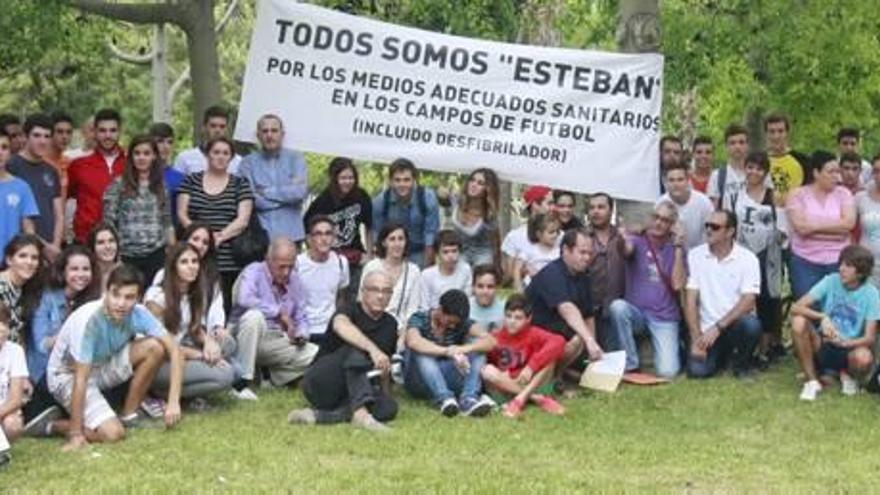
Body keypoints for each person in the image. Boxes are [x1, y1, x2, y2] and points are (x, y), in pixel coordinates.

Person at [46, 264, 183, 451]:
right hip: (66, 375)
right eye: (116, 295)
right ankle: (55, 425)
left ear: (139, 298)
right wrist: (76, 434)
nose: (121, 303)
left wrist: (173, 402)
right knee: (113, 434)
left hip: (102, 365)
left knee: (155, 347)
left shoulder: (139, 313)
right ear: (106, 292)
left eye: (129, 297)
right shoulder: (90, 320)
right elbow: (81, 379)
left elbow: (174, 350)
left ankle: (129, 414)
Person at [287, 271, 399, 432]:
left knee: (389, 407)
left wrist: (385, 393)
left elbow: (384, 365)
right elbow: (340, 325)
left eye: (386, 291)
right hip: (322, 381)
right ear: (363, 292)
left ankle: (318, 416)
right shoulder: (348, 310)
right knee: (353, 350)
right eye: (375, 290)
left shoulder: (391, 324)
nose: (380, 296)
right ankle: (360, 413)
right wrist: (373, 350)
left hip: (351, 391)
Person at [229, 238, 318, 399]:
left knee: (317, 354)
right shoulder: (254, 270)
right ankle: (240, 383)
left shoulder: (295, 279)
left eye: (290, 266)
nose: (286, 272)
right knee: (254, 317)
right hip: (244, 337)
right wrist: (279, 313)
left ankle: (272, 375)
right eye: (281, 266)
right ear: (269, 260)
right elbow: (244, 299)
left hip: (276, 340)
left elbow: (302, 316)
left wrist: (302, 334)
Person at [144, 243, 235, 401]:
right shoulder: (157, 297)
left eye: (195, 261)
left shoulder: (194, 292)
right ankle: (158, 393)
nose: (191, 267)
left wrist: (208, 342)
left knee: (227, 345)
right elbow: (158, 345)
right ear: (173, 267)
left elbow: (195, 328)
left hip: (182, 352)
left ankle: (188, 394)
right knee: (226, 374)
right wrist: (199, 355)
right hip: (159, 362)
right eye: (184, 262)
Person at [609, 201, 686, 378]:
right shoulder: (637, 240)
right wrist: (621, 238)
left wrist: (679, 247)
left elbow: (677, 284)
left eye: (665, 220)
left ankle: (677, 346)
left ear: (672, 225)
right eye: (656, 217)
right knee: (617, 307)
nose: (659, 223)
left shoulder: (676, 249)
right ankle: (631, 364)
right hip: (637, 314)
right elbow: (626, 251)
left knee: (668, 372)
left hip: (665, 316)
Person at [178, 137, 254, 315]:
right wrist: (200, 237)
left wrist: (218, 237)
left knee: (223, 306)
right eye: (216, 152)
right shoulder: (191, 181)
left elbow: (243, 220)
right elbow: (182, 213)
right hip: (195, 252)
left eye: (225, 153)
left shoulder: (240, 184)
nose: (220, 157)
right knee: (192, 303)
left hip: (228, 257)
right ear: (207, 155)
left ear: (231, 157)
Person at [791, 246, 878, 401]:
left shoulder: (872, 294)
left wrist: (846, 343)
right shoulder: (831, 280)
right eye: (841, 264)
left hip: (849, 348)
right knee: (798, 321)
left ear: (861, 272)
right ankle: (812, 381)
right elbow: (796, 307)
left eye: (848, 266)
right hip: (823, 342)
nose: (841, 269)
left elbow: (870, 337)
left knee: (863, 358)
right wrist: (823, 317)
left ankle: (846, 375)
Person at [685, 210, 762, 379]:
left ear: (730, 231)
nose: (709, 230)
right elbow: (690, 299)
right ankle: (723, 358)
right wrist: (696, 337)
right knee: (697, 372)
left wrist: (718, 327)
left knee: (751, 325)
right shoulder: (695, 255)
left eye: (715, 227)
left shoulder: (748, 259)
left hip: (732, 325)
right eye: (707, 226)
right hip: (706, 329)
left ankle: (742, 365)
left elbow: (749, 300)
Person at [729, 152, 785, 364]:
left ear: (765, 172)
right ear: (745, 168)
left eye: (759, 168)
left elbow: (783, 228)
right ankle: (743, 347)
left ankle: (764, 351)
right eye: (750, 167)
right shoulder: (735, 194)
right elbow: (728, 221)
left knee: (767, 302)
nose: (754, 172)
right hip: (741, 254)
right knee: (742, 298)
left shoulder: (774, 196)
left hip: (767, 256)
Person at [403, 289, 496, 417]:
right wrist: (447, 351)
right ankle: (444, 398)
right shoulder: (420, 318)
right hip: (419, 379)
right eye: (449, 322)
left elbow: (491, 341)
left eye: (455, 323)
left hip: (447, 375)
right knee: (422, 351)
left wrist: (462, 350)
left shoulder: (461, 324)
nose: (452, 326)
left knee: (479, 352)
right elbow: (413, 341)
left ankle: (468, 399)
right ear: (440, 310)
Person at [526, 228, 604, 378]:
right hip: (535, 337)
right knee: (578, 338)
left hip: (559, 331)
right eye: (582, 252)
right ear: (566, 250)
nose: (587, 258)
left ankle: (565, 371)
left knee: (582, 343)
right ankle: (555, 378)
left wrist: (594, 348)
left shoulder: (584, 276)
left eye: (590, 253)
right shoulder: (552, 273)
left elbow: (588, 315)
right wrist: (588, 340)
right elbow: (567, 308)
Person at [102, 136, 174, 286]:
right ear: (131, 156)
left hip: (156, 253)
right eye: (137, 153)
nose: (142, 158)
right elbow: (108, 222)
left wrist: (172, 251)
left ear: (154, 156)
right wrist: (114, 256)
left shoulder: (161, 186)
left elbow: (166, 220)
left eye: (146, 153)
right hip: (127, 255)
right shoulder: (118, 185)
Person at [482, 294, 566, 418]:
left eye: (518, 318)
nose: (512, 321)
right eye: (508, 316)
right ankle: (534, 398)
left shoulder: (534, 333)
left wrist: (531, 367)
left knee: (550, 358)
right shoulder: (496, 337)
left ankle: (520, 399)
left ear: (528, 319)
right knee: (487, 371)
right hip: (507, 385)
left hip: (530, 381)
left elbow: (559, 341)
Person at [28, 245, 100, 387]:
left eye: (86, 269)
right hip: (44, 372)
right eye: (74, 269)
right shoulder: (47, 299)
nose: (81, 274)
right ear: (63, 272)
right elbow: (41, 345)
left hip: (75, 368)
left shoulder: (91, 301)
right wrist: (70, 330)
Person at [304, 157, 373, 306]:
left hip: (354, 257)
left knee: (353, 299)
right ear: (334, 178)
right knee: (332, 299)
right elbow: (308, 229)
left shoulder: (361, 196)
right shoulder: (323, 201)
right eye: (343, 178)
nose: (347, 181)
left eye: (351, 178)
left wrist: (369, 254)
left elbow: (369, 226)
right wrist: (314, 253)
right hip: (330, 258)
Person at [787, 151, 855, 299]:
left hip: (839, 261)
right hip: (805, 261)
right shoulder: (797, 195)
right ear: (816, 173)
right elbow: (802, 228)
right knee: (808, 306)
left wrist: (814, 227)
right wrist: (837, 228)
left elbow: (848, 225)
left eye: (837, 171)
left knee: (837, 307)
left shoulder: (844, 194)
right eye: (830, 172)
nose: (836, 176)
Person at [240, 114, 309, 242]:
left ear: (282, 134)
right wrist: (287, 198)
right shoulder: (247, 163)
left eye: (274, 130)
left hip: (292, 236)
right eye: (265, 131)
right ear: (258, 135)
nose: (269, 135)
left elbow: (299, 192)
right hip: (260, 237)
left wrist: (266, 191)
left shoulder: (296, 159)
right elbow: (251, 199)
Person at [7, 113, 63, 261]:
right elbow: (15, 214)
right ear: (25, 137)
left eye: (47, 136)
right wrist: (43, 246)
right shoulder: (11, 166)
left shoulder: (51, 170)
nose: (42, 141)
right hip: (20, 250)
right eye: (37, 135)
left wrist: (55, 246)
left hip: (51, 252)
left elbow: (59, 214)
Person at [67, 108, 126, 244]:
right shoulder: (78, 166)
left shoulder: (131, 165)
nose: (108, 135)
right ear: (94, 132)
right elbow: (67, 197)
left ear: (120, 132)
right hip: (86, 241)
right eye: (102, 130)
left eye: (112, 130)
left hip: (122, 242)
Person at [372, 158, 440, 267]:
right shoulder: (380, 201)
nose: (402, 184)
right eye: (397, 180)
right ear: (390, 181)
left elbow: (430, 236)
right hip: (392, 252)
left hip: (420, 251)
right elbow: (378, 236)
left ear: (414, 180)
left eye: (406, 180)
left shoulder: (427, 197)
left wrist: (426, 268)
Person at [359, 224, 424, 336]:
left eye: (401, 239)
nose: (397, 244)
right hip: (371, 326)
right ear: (384, 243)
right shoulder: (372, 266)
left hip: (400, 330)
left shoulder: (414, 271)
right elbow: (362, 300)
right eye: (392, 239)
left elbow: (413, 309)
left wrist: (403, 333)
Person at [297, 215, 350, 345]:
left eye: (328, 233)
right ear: (309, 239)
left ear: (333, 238)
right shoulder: (297, 263)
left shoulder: (341, 262)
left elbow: (342, 296)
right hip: (304, 329)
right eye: (318, 234)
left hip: (331, 329)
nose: (324, 238)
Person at [585, 193, 627, 346]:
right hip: (588, 311)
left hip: (615, 308)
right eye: (592, 208)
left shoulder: (622, 236)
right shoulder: (581, 237)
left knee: (613, 358)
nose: (595, 211)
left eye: (601, 207)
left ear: (611, 210)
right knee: (588, 359)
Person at [449, 168, 501, 267]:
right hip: (461, 251)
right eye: (472, 180)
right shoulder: (456, 200)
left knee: (481, 274)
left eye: (480, 183)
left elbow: (496, 240)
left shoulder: (489, 214)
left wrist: (497, 264)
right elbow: (442, 197)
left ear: (488, 189)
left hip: (482, 253)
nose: (474, 185)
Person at [501, 185, 552, 283]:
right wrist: (525, 269)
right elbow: (508, 275)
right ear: (535, 205)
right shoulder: (514, 236)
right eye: (549, 203)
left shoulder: (560, 235)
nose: (553, 208)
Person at [0, 235, 45, 344]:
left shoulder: (23, 289)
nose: (29, 262)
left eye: (34, 258)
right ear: (9, 260)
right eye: (22, 256)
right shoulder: (2, 288)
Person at [173, 105, 242, 176]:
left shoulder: (237, 162)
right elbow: (176, 185)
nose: (217, 130)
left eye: (222, 127)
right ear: (204, 127)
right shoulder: (185, 158)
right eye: (213, 126)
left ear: (227, 129)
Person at [658, 163, 714, 249]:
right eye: (671, 180)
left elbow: (711, 233)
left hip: (700, 253)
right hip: (671, 255)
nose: (675, 184)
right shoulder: (660, 204)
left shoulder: (704, 203)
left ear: (688, 181)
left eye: (680, 180)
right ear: (666, 183)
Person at [708, 124, 763, 209]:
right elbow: (713, 209)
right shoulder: (717, 176)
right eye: (732, 143)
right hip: (728, 221)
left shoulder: (760, 173)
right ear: (726, 146)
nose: (737, 147)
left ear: (747, 145)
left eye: (741, 142)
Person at [0, 129, 38, 252]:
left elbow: (28, 228)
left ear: (10, 152)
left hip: (11, 263)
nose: (0, 152)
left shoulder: (22, 187)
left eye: (4, 147)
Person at [765, 113, 811, 206]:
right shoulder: (759, 161)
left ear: (787, 133)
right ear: (766, 134)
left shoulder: (804, 161)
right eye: (772, 132)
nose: (776, 136)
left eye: (780, 131)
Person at [0, 304, 28, 457]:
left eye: (4, 323)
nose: (2, 329)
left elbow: (16, 399)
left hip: (4, 411)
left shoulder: (15, 351)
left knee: (14, 425)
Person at [421, 230, 473, 310]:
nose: (451, 256)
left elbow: (467, 299)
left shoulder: (466, 270)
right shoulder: (427, 275)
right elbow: (424, 305)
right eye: (445, 252)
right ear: (437, 254)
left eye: (454, 251)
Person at [513, 213, 561, 292]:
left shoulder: (559, 251)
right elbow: (517, 269)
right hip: (532, 290)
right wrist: (519, 290)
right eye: (551, 232)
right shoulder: (529, 249)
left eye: (557, 231)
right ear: (539, 234)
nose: (555, 235)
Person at [149, 122, 185, 228]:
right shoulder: (139, 175)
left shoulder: (180, 178)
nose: (165, 146)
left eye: (169, 142)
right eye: (160, 141)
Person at [856, 155, 880, 287]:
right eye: (876, 171)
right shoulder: (861, 198)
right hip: (867, 266)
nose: (879, 175)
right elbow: (849, 229)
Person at [45, 111, 74, 200]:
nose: (65, 136)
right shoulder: (39, 162)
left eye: (68, 132)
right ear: (50, 133)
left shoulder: (70, 164)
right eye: (60, 132)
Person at [469, 265, 506, 332]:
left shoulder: (506, 310)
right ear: (473, 287)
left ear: (497, 288)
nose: (485, 292)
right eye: (480, 286)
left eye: (490, 287)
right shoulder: (465, 307)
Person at [88, 222, 121, 292]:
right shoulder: (86, 274)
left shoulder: (126, 273)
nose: (107, 246)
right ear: (92, 247)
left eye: (111, 241)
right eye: (101, 242)